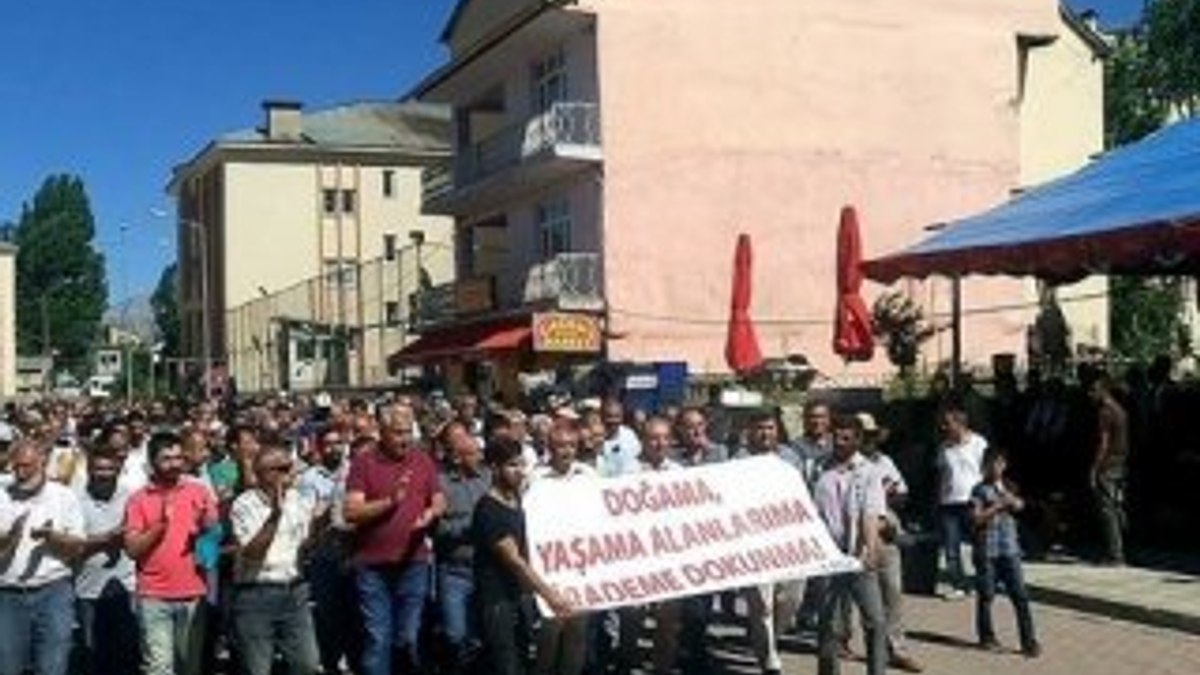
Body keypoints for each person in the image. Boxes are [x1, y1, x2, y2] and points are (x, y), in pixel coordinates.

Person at [343, 403, 446, 675]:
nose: (405, 438)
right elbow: (351, 511)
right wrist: (390, 502)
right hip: (373, 566)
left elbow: (438, 497)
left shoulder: (422, 459)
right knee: (378, 639)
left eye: (408, 431)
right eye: (398, 432)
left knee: (408, 637)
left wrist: (431, 513)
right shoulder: (364, 462)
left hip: (414, 562)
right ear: (382, 431)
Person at [472, 437, 574, 675]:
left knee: (523, 659)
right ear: (495, 468)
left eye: (521, 464)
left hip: (519, 597)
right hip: (497, 601)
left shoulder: (517, 500)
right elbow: (515, 562)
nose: (520, 471)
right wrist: (550, 595)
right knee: (507, 663)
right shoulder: (488, 509)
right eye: (512, 465)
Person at [124, 430, 220, 675]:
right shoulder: (138, 499)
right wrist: (160, 527)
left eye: (178, 458)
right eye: (166, 459)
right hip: (153, 595)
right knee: (158, 667)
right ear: (152, 463)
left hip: (193, 592)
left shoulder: (198, 492)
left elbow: (212, 543)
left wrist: (208, 532)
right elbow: (133, 550)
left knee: (189, 665)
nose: (174, 464)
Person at [228, 442, 324, 675]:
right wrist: (275, 516)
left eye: (290, 467)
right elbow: (251, 554)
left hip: (294, 592)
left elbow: (306, 548)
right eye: (281, 468)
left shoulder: (299, 500)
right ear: (263, 473)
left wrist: (320, 526)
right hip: (256, 593)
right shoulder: (244, 504)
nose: (289, 473)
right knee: (257, 669)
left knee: (308, 665)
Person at [0, 439, 85, 675]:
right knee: (8, 666)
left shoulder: (63, 496)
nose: (20, 472)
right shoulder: (1, 493)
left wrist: (52, 537)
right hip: (8, 593)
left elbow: (78, 547)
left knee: (53, 665)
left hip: (53, 591)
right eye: (15, 466)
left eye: (27, 466)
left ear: (42, 463)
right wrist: (9, 540)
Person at [813, 414, 888, 675]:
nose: (841, 441)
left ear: (858, 439)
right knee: (828, 625)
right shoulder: (819, 469)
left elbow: (871, 513)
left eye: (847, 437)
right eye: (837, 436)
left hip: (858, 556)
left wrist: (869, 547)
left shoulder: (869, 471)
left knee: (875, 621)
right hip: (826, 557)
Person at [737, 410, 804, 675]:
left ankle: (767, 639)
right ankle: (769, 661)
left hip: (789, 540)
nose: (766, 433)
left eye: (770, 428)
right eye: (760, 428)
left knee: (791, 599)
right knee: (762, 603)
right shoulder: (738, 462)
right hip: (755, 542)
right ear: (750, 432)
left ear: (778, 431)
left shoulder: (791, 459)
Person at [617, 417, 682, 675]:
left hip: (669, 558)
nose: (660, 443)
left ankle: (662, 668)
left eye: (665, 438)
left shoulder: (679, 473)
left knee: (668, 621)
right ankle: (627, 666)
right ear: (643, 440)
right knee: (631, 619)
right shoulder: (626, 472)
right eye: (654, 438)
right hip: (636, 558)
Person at [530, 421, 595, 675]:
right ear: (549, 447)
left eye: (571, 445)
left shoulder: (589, 476)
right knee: (550, 631)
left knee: (577, 633)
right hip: (548, 568)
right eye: (560, 445)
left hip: (583, 565)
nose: (566, 451)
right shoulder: (534, 479)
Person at [858, 414, 922, 673]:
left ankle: (897, 648)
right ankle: (870, 650)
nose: (870, 441)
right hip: (858, 535)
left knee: (893, 592)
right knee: (864, 599)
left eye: (872, 436)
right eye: (865, 436)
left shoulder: (885, 461)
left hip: (887, 532)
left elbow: (902, 494)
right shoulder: (845, 465)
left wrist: (888, 496)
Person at [76, 444, 140, 675]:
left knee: (128, 652)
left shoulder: (132, 496)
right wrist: (106, 539)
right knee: (93, 653)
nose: (103, 474)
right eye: (98, 468)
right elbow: (72, 546)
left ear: (118, 470)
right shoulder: (74, 498)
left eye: (109, 469)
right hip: (87, 589)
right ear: (88, 469)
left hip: (128, 586)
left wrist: (125, 535)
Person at [970, 447, 1040, 657]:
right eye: (991, 463)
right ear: (984, 466)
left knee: (1020, 596)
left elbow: (1021, 506)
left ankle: (1029, 641)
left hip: (1010, 549)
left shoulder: (1009, 486)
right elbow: (976, 518)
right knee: (986, 595)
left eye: (999, 463)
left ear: (1004, 465)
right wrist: (997, 506)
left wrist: (1014, 502)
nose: (995, 467)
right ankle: (986, 637)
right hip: (987, 550)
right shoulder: (978, 490)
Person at [434, 421, 491, 675]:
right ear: (456, 457)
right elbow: (436, 529)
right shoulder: (439, 484)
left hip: (486, 569)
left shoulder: (488, 478)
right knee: (455, 633)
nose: (478, 457)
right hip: (454, 570)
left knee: (482, 633)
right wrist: (468, 527)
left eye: (478, 452)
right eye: (471, 454)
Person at [935, 405, 986, 599]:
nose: (944, 427)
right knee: (951, 546)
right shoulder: (944, 447)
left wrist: (984, 497)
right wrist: (938, 499)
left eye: (948, 423)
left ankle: (983, 581)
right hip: (949, 502)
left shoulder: (978, 443)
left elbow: (985, 469)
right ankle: (959, 584)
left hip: (972, 501)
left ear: (960, 423)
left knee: (978, 545)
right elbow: (941, 474)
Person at [1088, 373, 1129, 565]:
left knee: (1107, 510)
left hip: (1108, 465)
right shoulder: (1120, 410)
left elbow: (1103, 443)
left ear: (1103, 391)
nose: (1090, 394)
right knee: (1117, 506)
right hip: (1120, 462)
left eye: (1094, 390)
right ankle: (1123, 548)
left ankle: (1115, 554)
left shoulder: (1105, 412)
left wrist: (1094, 468)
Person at [598, 398, 642, 478]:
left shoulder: (629, 435)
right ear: (601, 417)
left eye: (617, 416)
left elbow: (638, 456)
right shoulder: (596, 438)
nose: (613, 420)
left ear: (622, 417)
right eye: (609, 416)